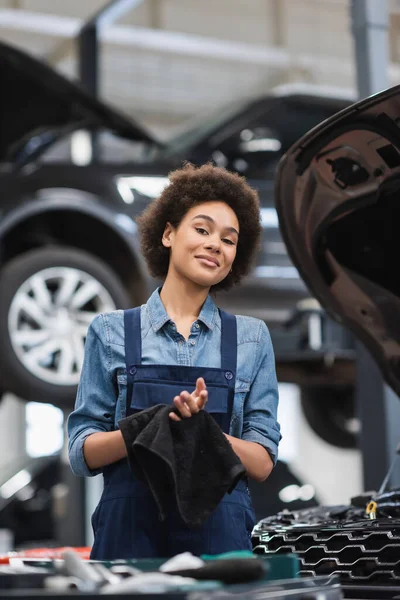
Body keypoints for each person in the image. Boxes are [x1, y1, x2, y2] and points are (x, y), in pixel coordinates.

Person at [68, 163, 281, 560]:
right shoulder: (110, 331)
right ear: (168, 234)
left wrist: (200, 431)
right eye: (202, 230)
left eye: (229, 240)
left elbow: (263, 461)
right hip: (129, 533)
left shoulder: (252, 338)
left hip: (220, 537)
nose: (216, 245)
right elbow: (82, 453)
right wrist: (151, 427)